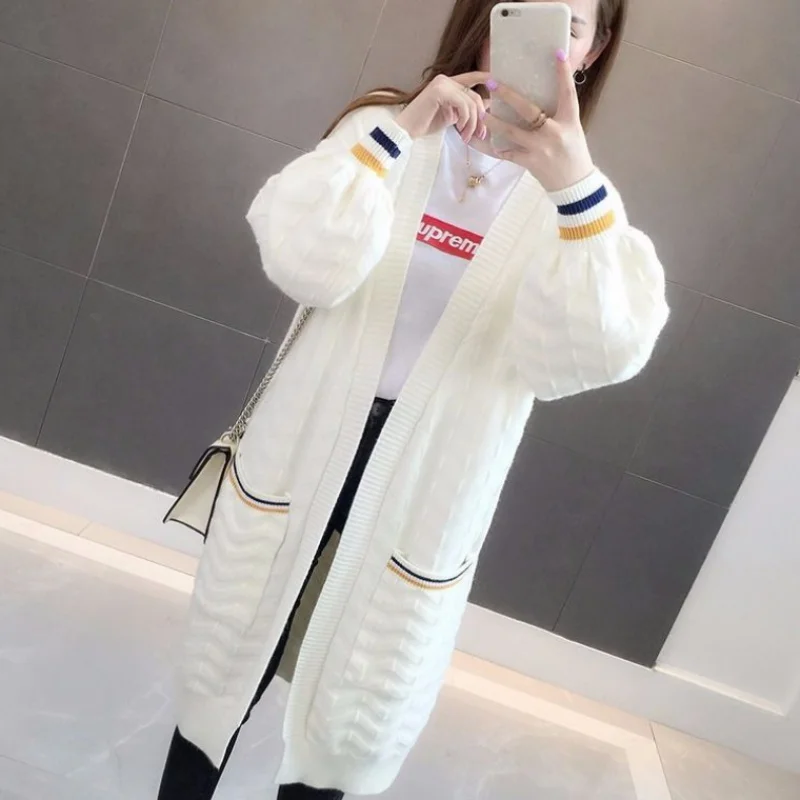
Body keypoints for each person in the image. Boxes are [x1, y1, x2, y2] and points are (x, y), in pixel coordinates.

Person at [156, 0, 668, 797]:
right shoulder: (385, 126)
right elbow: (303, 263)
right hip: (305, 443)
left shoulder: (573, 202)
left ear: (594, 49)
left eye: (571, 22)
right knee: (221, 679)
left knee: (349, 719)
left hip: (430, 478)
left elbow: (589, 356)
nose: (547, 34)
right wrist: (399, 134)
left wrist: (574, 190)